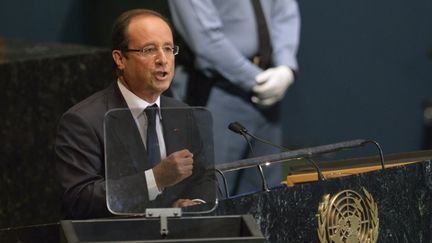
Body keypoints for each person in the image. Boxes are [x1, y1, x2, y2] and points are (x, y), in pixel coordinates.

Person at [55, 9, 215, 219]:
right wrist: (155, 179)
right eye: (149, 50)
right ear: (120, 59)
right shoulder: (84, 121)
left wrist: (195, 204)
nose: (162, 59)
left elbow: (204, 177)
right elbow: (79, 199)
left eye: (168, 48)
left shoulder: (182, 112)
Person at [167, 0, 300, 195]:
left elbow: (284, 11)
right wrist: (257, 81)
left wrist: (286, 67)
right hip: (218, 91)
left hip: (268, 90)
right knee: (213, 195)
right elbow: (206, 40)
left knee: (267, 197)